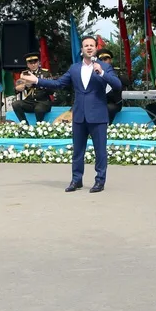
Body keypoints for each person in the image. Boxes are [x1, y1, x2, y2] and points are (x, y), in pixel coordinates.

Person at [22, 35, 122, 193]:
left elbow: (117, 85)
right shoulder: (75, 68)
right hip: (79, 115)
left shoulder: (104, 67)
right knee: (78, 150)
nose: (89, 48)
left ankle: (99, 180)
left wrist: (102, 73)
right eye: (85, 46)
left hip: (98, 115)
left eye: (91, 45)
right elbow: (59, 84)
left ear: (96, 48)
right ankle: (76, 180)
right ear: (82, 50)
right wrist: (37, 81)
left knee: (100, 150)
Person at [12, 52, 53, 124]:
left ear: (38, 63)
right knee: (16, 104)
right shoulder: (24, 74)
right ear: (27, 64)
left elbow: (52, 90)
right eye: (30, 63)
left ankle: (39, 126)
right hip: (30, 102)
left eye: (35, 62)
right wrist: (18, 88)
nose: (33, 65)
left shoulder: (45, 73)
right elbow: (16, 90)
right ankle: (25, 125)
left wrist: (38, 84)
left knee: (38, 109)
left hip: (43, 101)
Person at [97, 48, 129, 124]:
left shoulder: (116, 72)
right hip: (98, 101)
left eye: (106, 59)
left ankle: (107, 127)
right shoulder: (94, 72)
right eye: (101, 59)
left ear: (110, 60)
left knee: (109, 108)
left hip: (114, 102)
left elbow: (126, 83)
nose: (104, 61)